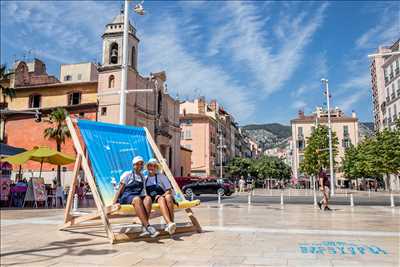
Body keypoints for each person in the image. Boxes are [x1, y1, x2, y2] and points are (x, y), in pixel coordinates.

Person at [113, 156, 159, 238]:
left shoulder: (142, 177)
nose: (139, 166)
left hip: (136, 196)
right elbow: (120, 189)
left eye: (141, 164)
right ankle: (148, 226)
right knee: (137, 199)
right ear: (133, 165)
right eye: (137, 164)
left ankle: (145, 228)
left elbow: (143, 191)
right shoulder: (127, 174)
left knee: (148, 198)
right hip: (126, 196)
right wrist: (114, 203)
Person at [145, 158, 176, 235]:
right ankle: (170, 223)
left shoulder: (161, 177)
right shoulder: (144, 178)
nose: (152, 167)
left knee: (168, 197)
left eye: (154, 166)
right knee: (161, 198)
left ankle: (170, 223)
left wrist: (161, 195)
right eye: (150, 165)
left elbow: (169, 190)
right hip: (151, 199)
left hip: (163, 196)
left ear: (156, 168)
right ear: (147, 167)